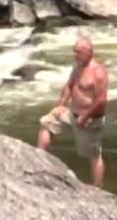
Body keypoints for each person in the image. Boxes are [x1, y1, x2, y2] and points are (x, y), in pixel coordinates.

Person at [37, 37, 109, 187]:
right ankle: (41, 164)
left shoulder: (98, 72)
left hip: (90, 119)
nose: (75, 55)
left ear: (89, 52)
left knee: (94, 154)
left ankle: (98, 187)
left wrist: (86, 116)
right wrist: (60, 105)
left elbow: (101, 101)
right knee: (46, 122)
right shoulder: (78, 66)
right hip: (71, 114)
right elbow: (70, 85)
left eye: (78, 52)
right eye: (75, 52)